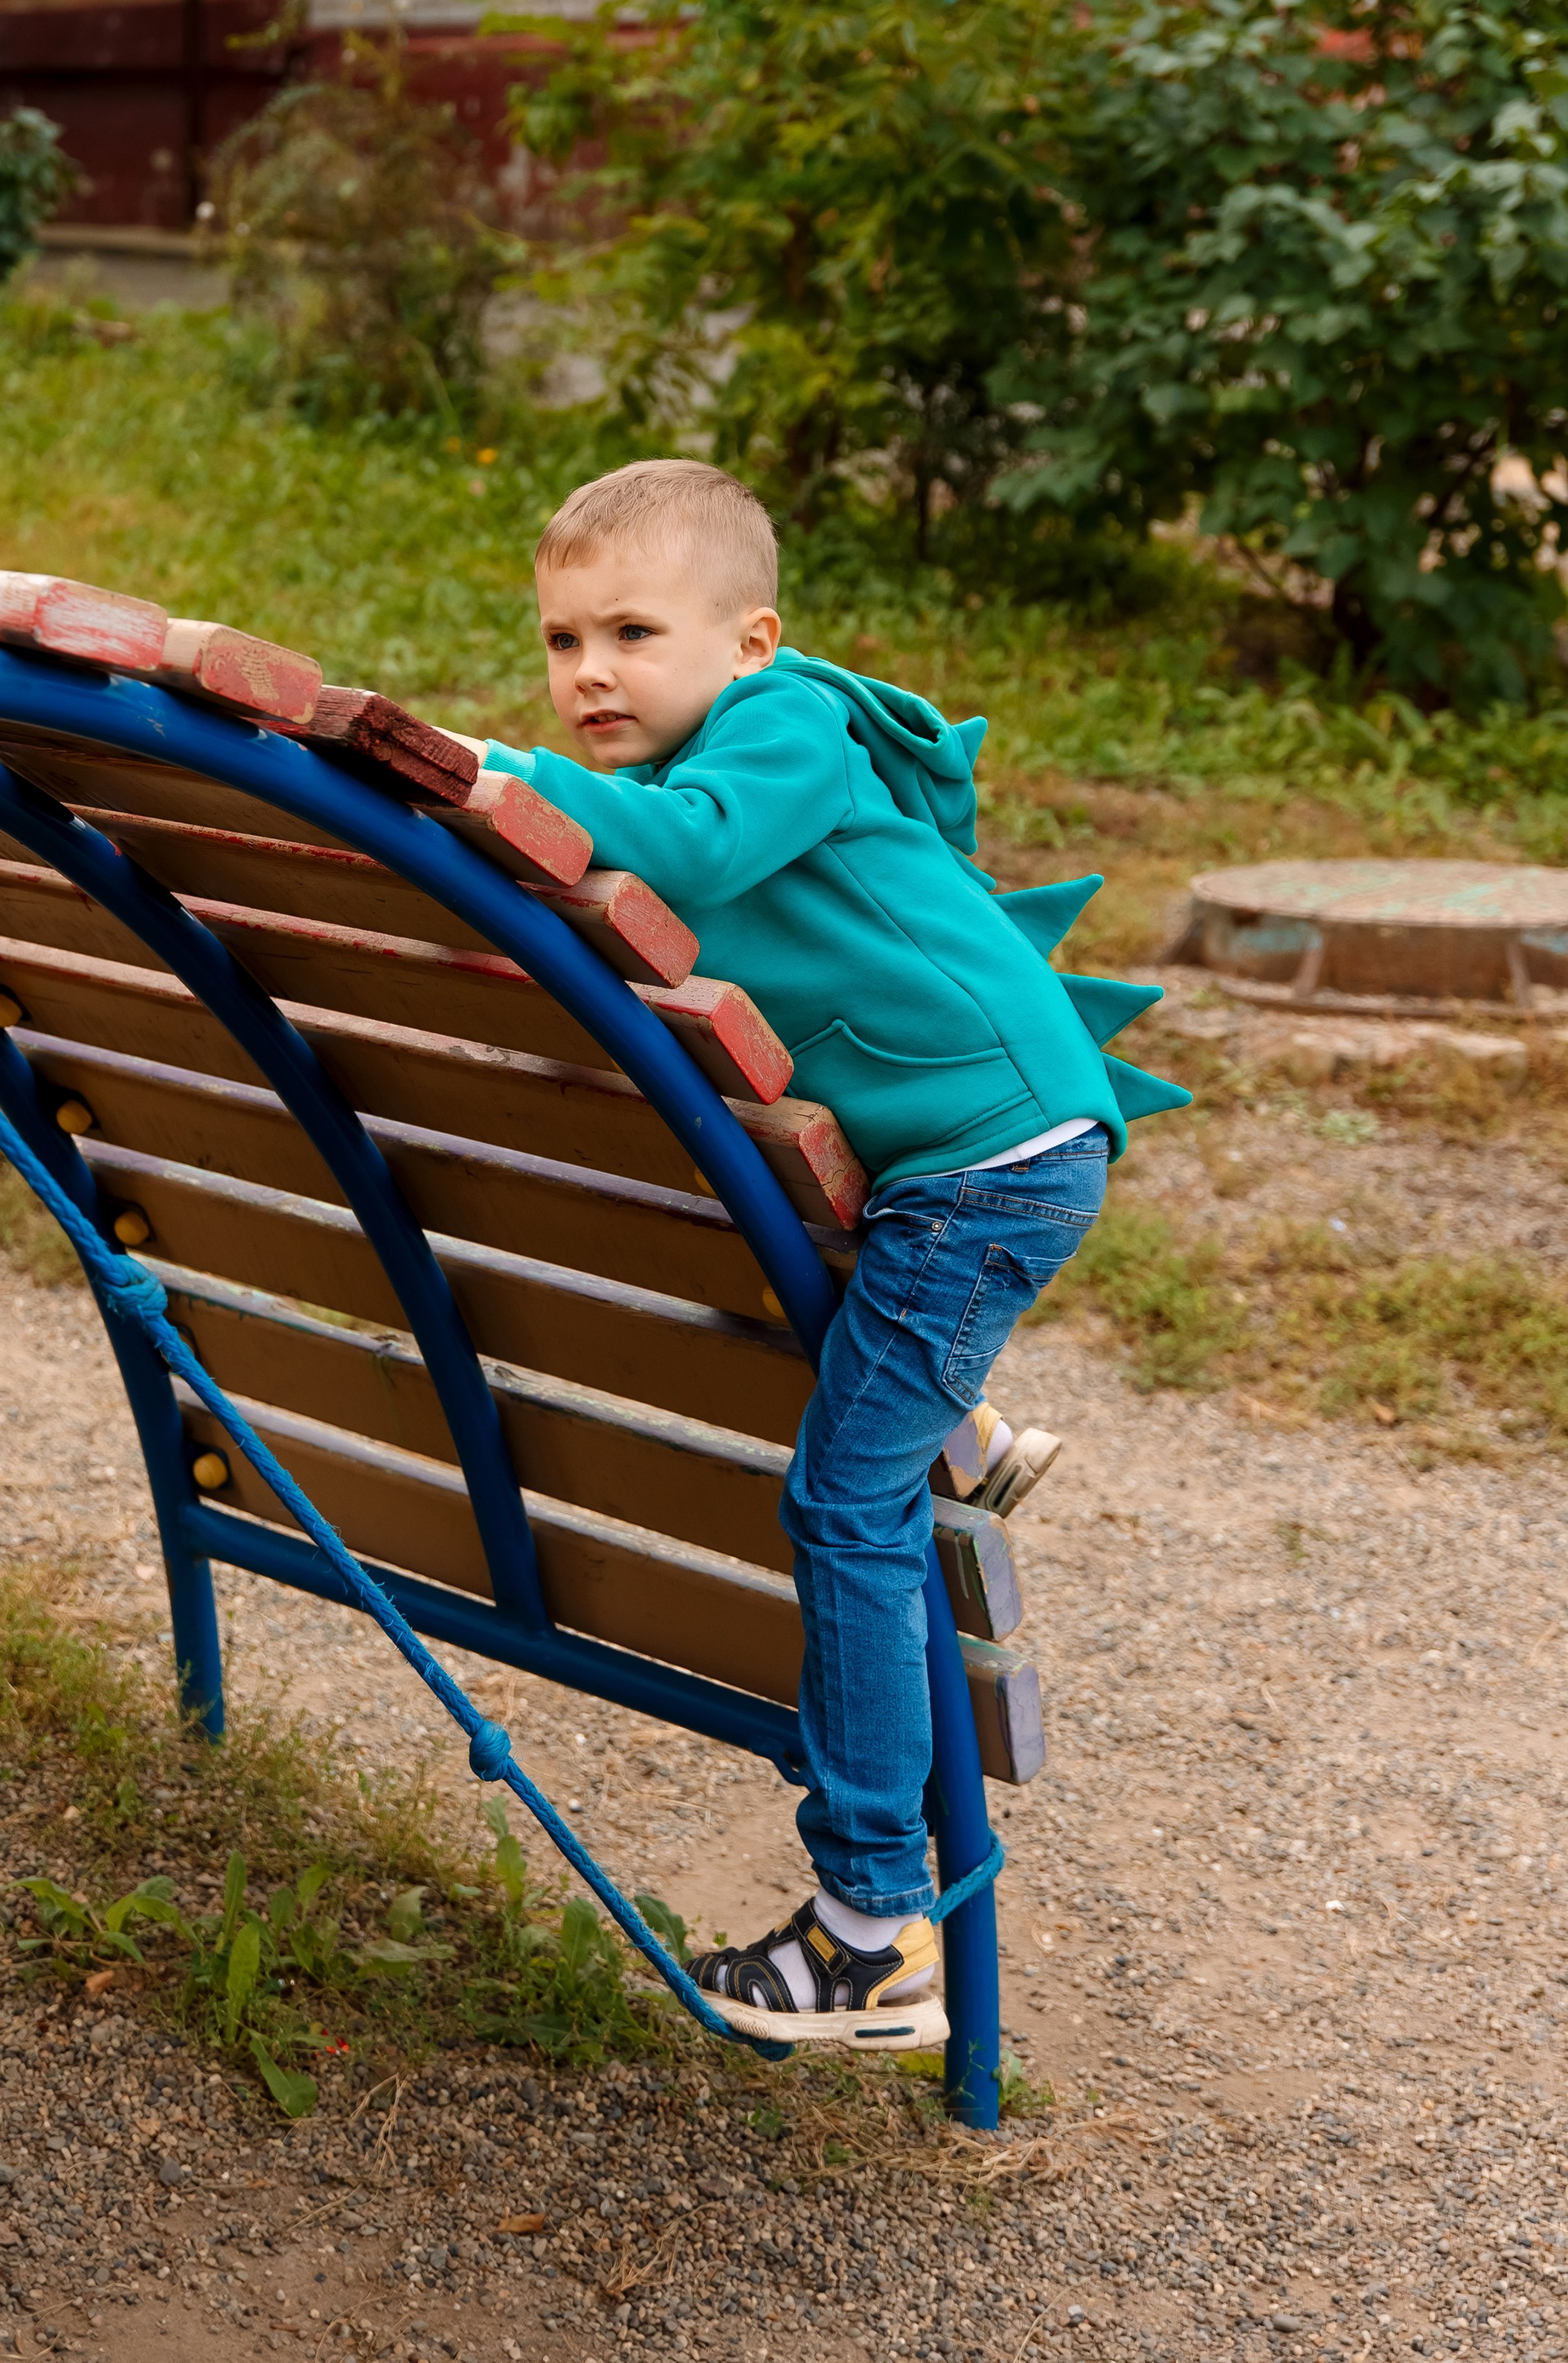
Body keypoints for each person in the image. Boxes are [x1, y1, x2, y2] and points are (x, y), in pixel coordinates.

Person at [469, 460, 1189, 2049]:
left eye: (631, 633)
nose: (588, 672)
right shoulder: (702, 742)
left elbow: (696, 856)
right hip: (955, 1161)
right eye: (561, 640)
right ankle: (961, 1425)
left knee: (838, 1503)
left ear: (748, 639)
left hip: (987, 1169)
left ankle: (870, 1932)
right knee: (826, 1370)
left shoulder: (779, 727)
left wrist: (496, 775)